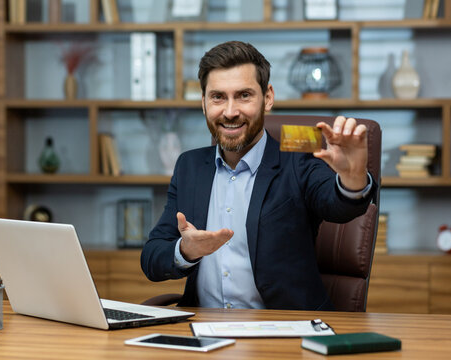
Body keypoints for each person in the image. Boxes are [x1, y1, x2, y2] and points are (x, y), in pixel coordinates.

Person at [141, 41, 376, 311]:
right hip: (204, 331)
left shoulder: (299, 157)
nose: (230, 112)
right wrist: (185, 251)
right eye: (218, 97)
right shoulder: (189, 166)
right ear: (203, 103)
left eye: (244, 95)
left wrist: (353, 178)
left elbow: (337, 205)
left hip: (285, 333)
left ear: (268, 98)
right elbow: (152, 258)